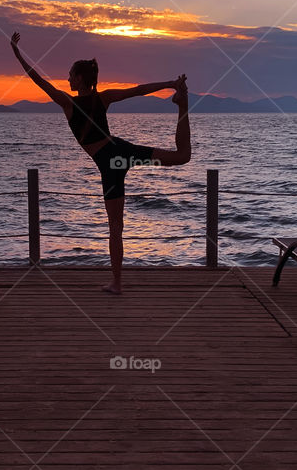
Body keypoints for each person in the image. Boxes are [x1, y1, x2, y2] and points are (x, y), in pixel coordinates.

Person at [11, 31, 191, 294]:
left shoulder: (67, 103)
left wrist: (16, 52)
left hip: (112, 163)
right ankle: (182, 105)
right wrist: (171, 84)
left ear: (80, 78)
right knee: (182, 156)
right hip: (120, 153)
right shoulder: (101, 97)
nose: (68, 78)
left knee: (115, 228)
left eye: (71, 74)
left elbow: (37, 79)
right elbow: (138, 90)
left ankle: (117, 284)